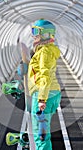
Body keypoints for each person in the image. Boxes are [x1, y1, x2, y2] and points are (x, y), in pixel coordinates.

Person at [27, 19, 61, 150]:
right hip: (53, 93)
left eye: (36, 32)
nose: (34, 35)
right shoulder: (48, 50)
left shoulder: (44, 52)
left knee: (40, 134)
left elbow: (44, 76)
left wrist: (41, 99)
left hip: (44, 94)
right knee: (43, 130)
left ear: (46, 35)